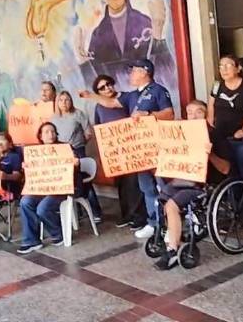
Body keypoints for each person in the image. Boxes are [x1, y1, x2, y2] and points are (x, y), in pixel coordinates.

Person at [79, 58, 174, 239]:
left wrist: (148, 114)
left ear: (144, 72)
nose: (130, 74)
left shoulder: (158, 90)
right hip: (139, 151)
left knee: (163, 187)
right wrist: (90, 96)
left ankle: (171, 226)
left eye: (134, 70)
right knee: (147, 188)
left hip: (157, 148)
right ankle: (154, 223)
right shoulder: (131, 95)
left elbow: (169, 114)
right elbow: (110, 102)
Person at [74, 0, 175, 90]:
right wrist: (82, 61)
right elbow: (95, 89)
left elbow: (168, 79)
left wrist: (158, 33)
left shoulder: (145, 23)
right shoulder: (97, 37)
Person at [154, 100, 232, 270]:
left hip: (204, 185)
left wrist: (209, 154)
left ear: (206, 115)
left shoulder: (215, 135)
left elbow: (226, 169)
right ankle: (176, 237)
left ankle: (172, 251)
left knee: (172, 206)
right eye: (190, 112)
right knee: (161, 200)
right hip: (183, 180)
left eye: (199, 112)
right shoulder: (182, 135)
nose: (193, 116)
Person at [91, 75, 147, 230]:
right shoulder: (98, 107)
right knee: (121, 185)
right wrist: (103, 154)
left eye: (108, 84)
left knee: (134, 184)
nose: (107, 88)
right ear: (98, 92)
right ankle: (127, 215)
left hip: (131, 149)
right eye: (102, 87)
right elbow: (98, 129)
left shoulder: (126, 98)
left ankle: (139, 217)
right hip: (114, 153)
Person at [17, 122, 79, 254]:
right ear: (40, 135)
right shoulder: (35, 152)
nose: (50, 134)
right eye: (46, 132)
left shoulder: (65, 148)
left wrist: (75, 163)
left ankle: (58, 233)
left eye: (52, 131)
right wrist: (25, 168)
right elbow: (31, 175)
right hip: (41, 188)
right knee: (25, 202)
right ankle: (31, 241)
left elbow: (75, 171)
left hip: (61, 188)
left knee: (42, 208)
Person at [50, 91, 102, 220]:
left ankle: (96, 212)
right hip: (61, 153)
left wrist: (81, 142)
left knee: (84, 182)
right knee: (68, 182)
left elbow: (88, 132)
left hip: (78, 150)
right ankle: (76, 213)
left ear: (71, 101)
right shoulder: (54, 118)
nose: (64, 103)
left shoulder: (78, 114)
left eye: (67, 99)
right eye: (61, 100)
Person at [207, 55, 243, 185]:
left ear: (238, 68)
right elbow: (211, 103)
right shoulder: (217, 85)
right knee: (226, 171)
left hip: (242, 137)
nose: (224, 69)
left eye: (228, 65)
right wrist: (210, 120)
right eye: (221, 66)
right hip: (220, 136)